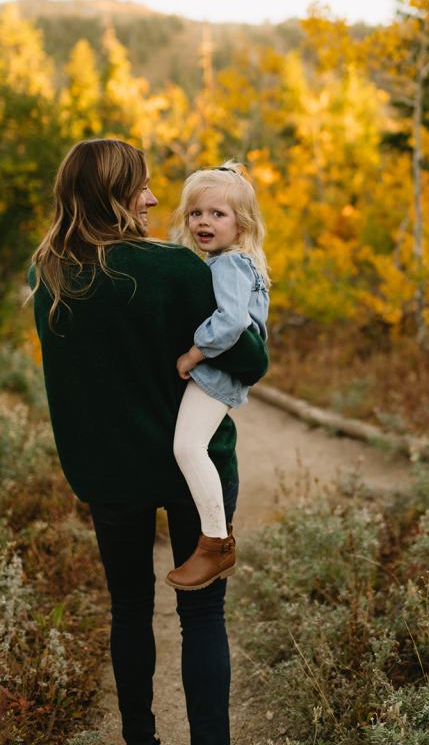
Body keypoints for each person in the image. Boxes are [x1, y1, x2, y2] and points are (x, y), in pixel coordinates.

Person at [28, 139, 268, 745]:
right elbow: (251, 360)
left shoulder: (48, 274)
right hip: (194, 465)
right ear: (114, 194)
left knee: (129, 607)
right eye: (141, 187)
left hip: (108, 470)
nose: (154, 199)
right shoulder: (175, 268)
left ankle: (140, 737)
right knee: (203, 615)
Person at [166, 162, 270, 591]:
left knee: (188, 447)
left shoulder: (228, 264)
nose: (203, 222)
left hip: (217, 370)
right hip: (223, 370)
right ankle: (214, 540)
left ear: (241, 223)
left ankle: (216, 542)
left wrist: (193, 354)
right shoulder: (235, 261)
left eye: (217, 214)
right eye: (196, 213)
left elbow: (231, 322)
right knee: (193, 445)